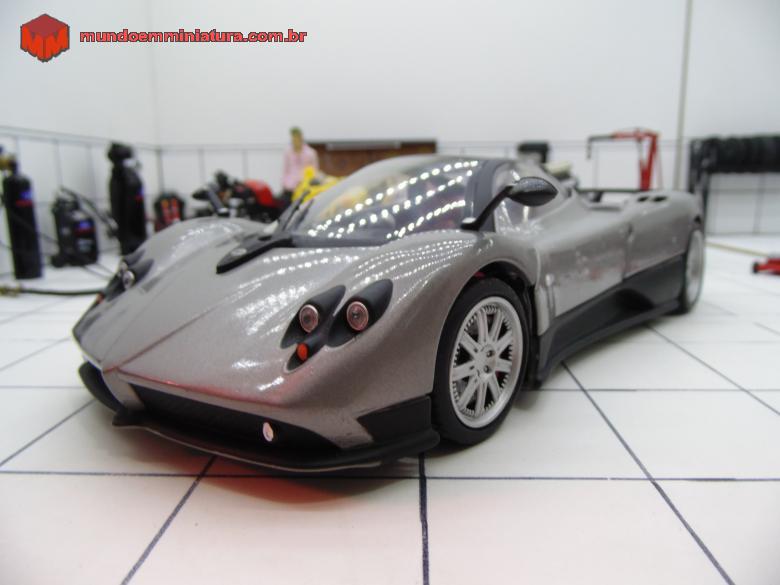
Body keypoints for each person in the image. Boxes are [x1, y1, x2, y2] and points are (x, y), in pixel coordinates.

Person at [281, 127, 319, 204]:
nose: (295, 141)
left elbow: (314, 170)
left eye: (297, 138)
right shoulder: (288, 152)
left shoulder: (310, 153)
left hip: (304, 187)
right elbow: (285, 170)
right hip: (290, 188)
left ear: (301, 137)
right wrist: (284, 183)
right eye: (294, 138)